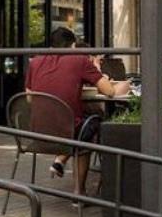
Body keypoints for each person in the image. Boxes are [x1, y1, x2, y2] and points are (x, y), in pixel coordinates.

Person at [25, 26, 121, 186]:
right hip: (66, 130)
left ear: (50, 46)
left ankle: (60, 160)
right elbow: (109, 91)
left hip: (38, 132)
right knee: (92, 126)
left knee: (84, 123)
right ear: (73, 46)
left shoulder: (34, 62)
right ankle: (79, 194)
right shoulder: (79, 60)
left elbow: (29, 98)